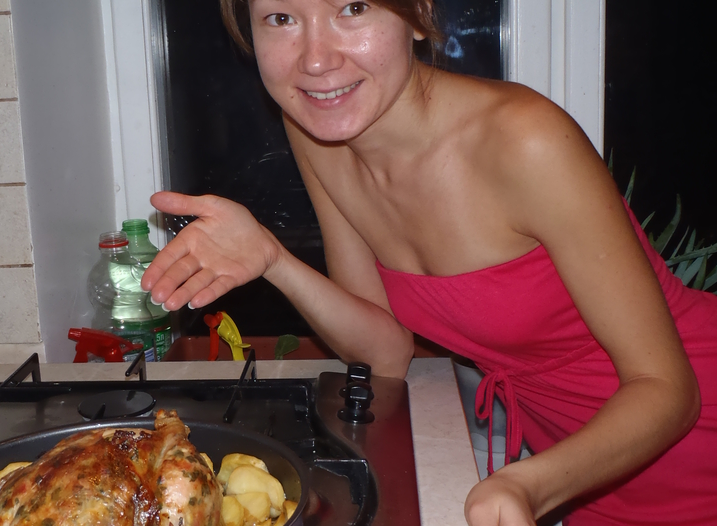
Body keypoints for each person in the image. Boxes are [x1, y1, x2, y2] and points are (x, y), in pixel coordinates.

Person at [140, 0, 717, 524]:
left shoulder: (524, 140)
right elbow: (384, 354)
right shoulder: (319, 129)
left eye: (353, 8)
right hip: (586, 472)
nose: (315, 60)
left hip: (686, 443)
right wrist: (273, 259)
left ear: (418, 15)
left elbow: (670, 389)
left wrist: (527, 484)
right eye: (281, 19)